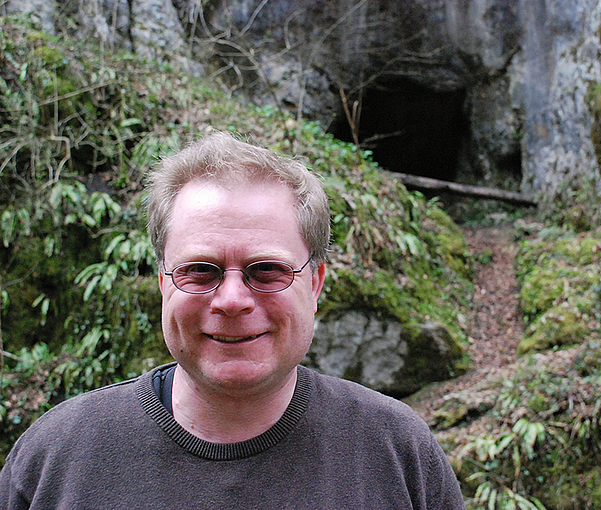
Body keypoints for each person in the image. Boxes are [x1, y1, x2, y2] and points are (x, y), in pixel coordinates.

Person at [0, 132, 466, 509]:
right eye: (200, 271)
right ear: (164, 283)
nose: (232, 299)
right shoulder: (57, 458)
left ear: (316, 283)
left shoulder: (396, 452)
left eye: (268, 270)